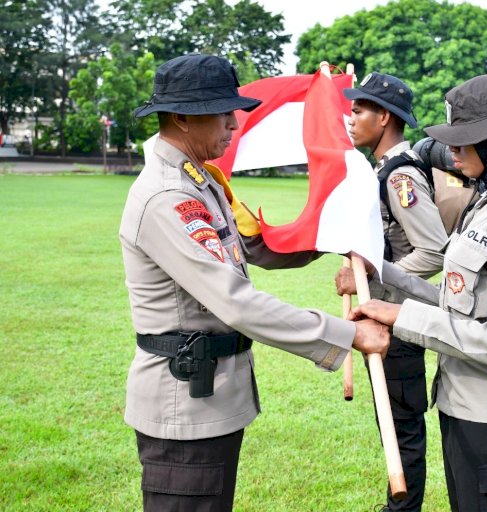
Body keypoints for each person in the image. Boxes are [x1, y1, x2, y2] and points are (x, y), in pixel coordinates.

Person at [120, 54, 390, 512]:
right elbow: (235, 301)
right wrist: (349, 334)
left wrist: (333, 236)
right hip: (184, 405)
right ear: (183, 117)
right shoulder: (169, 197)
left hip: (209, 397)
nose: (233, 122)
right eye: (222, 112)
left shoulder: (201, 182)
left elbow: (251, 249)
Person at [338, 74, 487, 511]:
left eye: (466, 140)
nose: (453, 151)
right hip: (467, 406)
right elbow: (456, 299)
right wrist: (380, 270)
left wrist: (400, 316)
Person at [343, 72, 449, 512]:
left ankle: (403, 508)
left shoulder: (400, 176)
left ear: (383, 117)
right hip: (384, 313)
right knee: (392, 420)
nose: (351, 119)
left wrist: (375, 271)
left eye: (359, 111)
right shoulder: (381, 169)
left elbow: (434, 249)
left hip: (401, 318)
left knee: (402, 424)